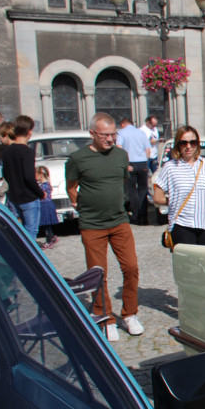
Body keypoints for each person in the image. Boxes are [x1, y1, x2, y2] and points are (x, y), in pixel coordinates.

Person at [66, 112, 142, 342]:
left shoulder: (121, 155)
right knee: (98, 274)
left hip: (119, 221)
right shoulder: (78, 159)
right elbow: (72, 187)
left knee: (131, 267)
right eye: (105, 135)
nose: (111, 139)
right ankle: (105, 316)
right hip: (92, 225)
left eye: (113, 134)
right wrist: (83, 207)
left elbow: (120, 182)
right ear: (92, 134)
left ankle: (129, 314)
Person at [153, 126, 205, 248]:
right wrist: (174, 200)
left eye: (192, 142)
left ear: (197, 144)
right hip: (182, 224)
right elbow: (157, 197)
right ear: (178, 144)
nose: (188, 146)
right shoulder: (170, 167)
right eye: (184, 143)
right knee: (188, 265)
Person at [2, 116, 44, 239]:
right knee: (31, 230)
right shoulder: (27, 152)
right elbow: (29, 176)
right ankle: (28, 256)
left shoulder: (8, 151)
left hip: (14, 197)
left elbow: (6, 174)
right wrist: (40, 192)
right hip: (28, 197)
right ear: (29, 131)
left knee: (20, 229)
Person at [115, 117, 152, 225]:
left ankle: (136, 217)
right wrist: (145, 161)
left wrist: (124, 163)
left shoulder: (121, 133)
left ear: (122, 124)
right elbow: (148, 149)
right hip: (142, 162)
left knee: (132, 191)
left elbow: (118, 147)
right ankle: (144, 217)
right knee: (143, 190)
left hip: (130, 163)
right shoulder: (141, 133)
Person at [36, 166, 59, 249]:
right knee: (46, 225)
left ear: (41, 174)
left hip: (45, 205)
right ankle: (51, 237)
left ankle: (50, 239)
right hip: (44, 204)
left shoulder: (45, 185)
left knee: (46, 224)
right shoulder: (44, 184)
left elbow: (43, 195)